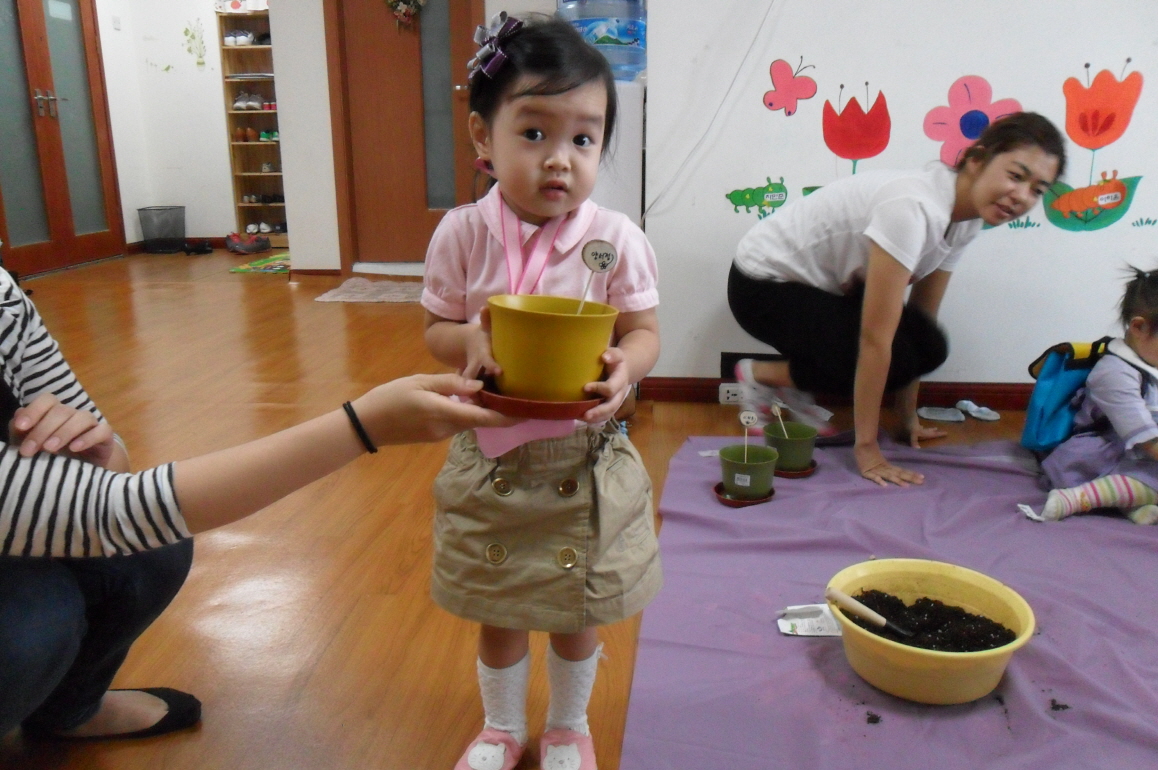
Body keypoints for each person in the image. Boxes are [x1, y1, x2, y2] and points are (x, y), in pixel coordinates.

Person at [0, 266, 513, 741]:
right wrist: (365, 426)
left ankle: (69, 708)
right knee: (39, 620)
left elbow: (111, 457)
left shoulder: (5, 297)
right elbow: (114, 511)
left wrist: (88, 449)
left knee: (152, 551)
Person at [421, 14, 661, 770]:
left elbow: (644, 332)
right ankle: (501, 727)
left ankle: (567, 726)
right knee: (497, 604)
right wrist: (469, 341)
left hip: (582, 458)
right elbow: (436, 328)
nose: (560, 159)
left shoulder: (616, 238)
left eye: (584, 139)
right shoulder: (463, 233)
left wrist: (627, 368)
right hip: (491, 453)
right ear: (482, 137)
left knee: (574, 604)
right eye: (533, 133)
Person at [728, 112, 1066, 487]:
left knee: (928, 345)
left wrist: (907, 420)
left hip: (824, 289)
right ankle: (759, 375)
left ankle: (791, 384)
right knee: (884, 352)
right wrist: (867, 450)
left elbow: (922, 318)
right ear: (976, 160)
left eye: (1038, 190)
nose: (1022, 197)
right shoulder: (913, 208)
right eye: (1016, 176)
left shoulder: (965, 219)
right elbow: (875, 340)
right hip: (761, 286)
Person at [1038, 268, 1158, 525]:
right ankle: (1075, 498)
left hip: (1139, 454)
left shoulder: (1152, 361)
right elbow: (1145, 437)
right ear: (1139, 327)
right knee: (1151, 476)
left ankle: (1132, 505)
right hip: (1102, 455)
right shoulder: (1114, 372)